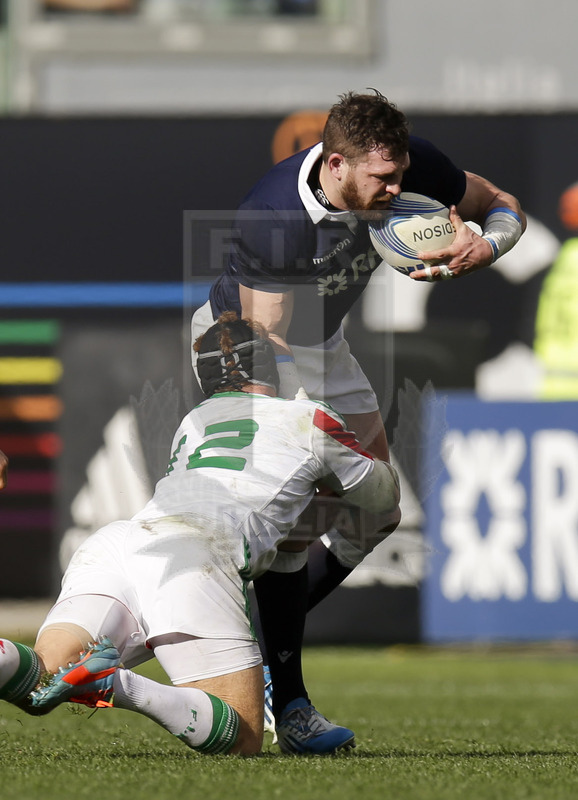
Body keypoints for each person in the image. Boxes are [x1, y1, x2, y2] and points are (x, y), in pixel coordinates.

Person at [190, 89, 527, 729]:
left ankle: (247, 640)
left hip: (324, 344)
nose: (398, 188)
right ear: (336, 165)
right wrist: (314, 451)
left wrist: (489, 245)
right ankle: (284, 698)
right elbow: (269, 346)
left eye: (401, 173)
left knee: (381, 512)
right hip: (251, 349)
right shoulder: (274, 214)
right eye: (382, 177)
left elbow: (500, 203)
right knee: (289, 524)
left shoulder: (410, 167)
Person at [0, 312, 400, 756]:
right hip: (195, 555)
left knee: (41, 679)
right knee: (242, 737)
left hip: (117, 545)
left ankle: (87, 672)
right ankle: (117, 683)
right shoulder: (309, 419)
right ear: (271, 368)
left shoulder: (195, 420)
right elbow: (383, 500)